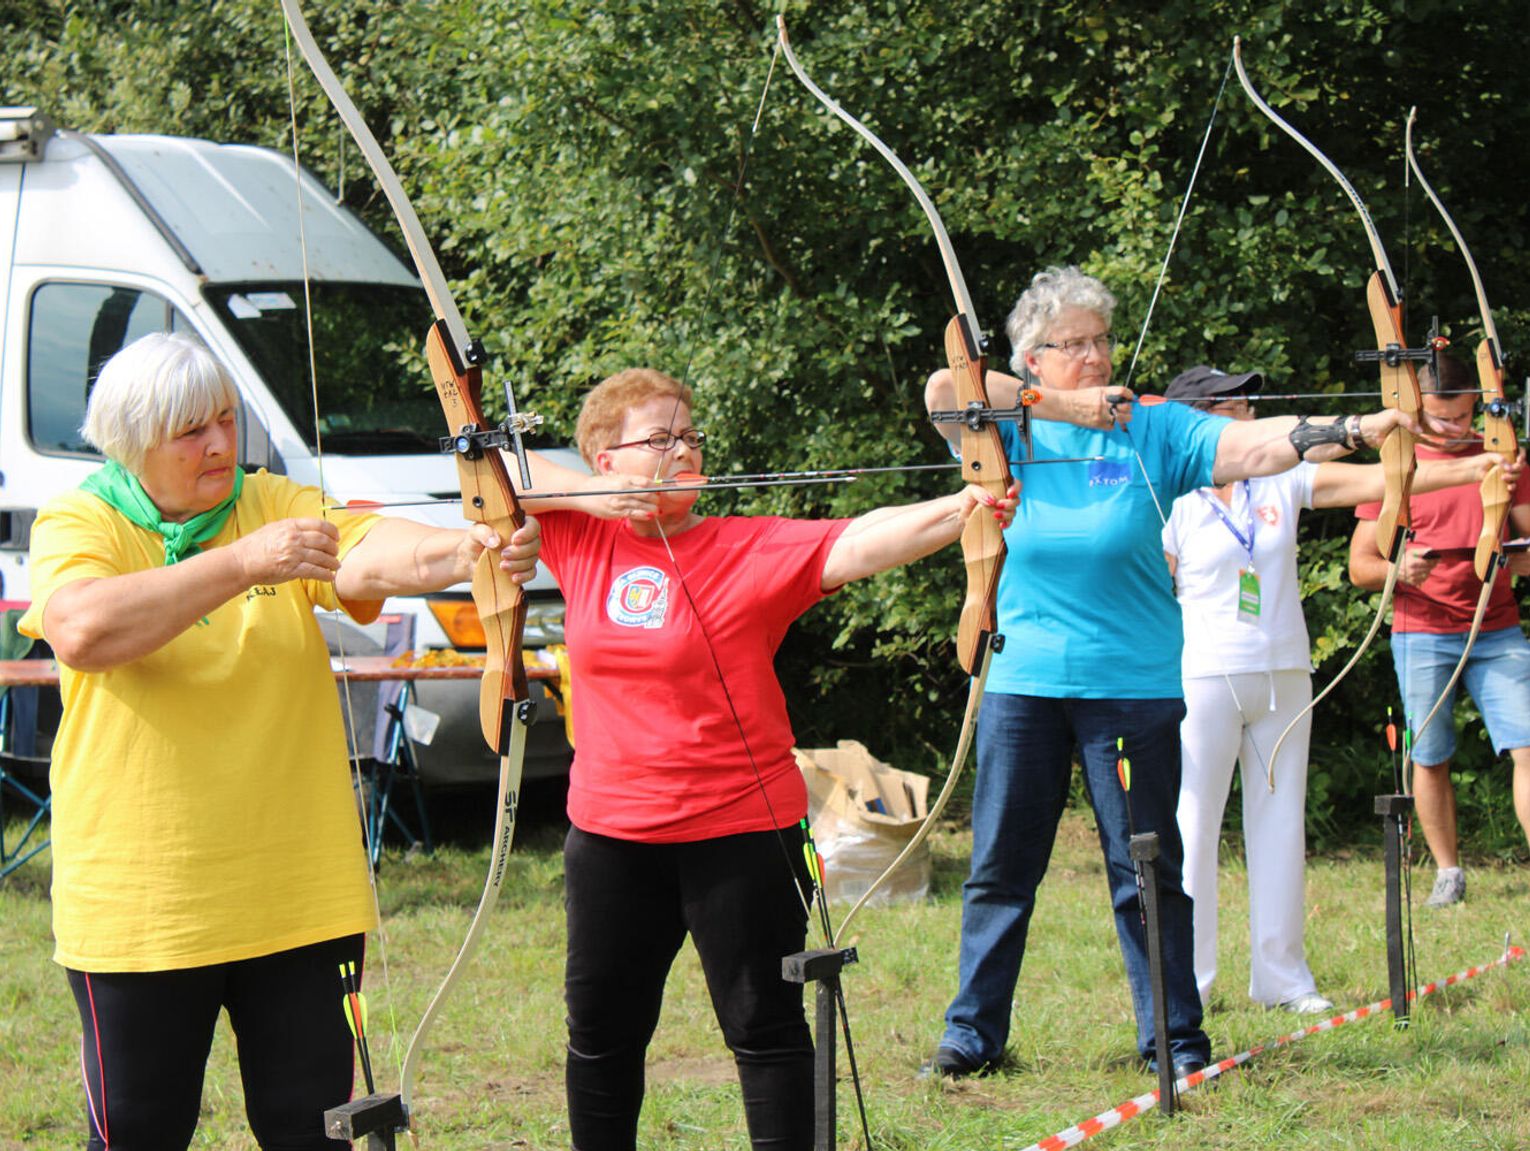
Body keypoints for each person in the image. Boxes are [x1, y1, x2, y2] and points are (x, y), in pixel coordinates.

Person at [20, 331, 542, 1151]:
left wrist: (466, 546)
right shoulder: (80, 519)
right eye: (192, 430)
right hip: (144, 903)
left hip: (297, 895)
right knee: (138, 1133)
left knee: (314, 1132)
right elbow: (83, 628)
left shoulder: (272, 503)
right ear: (134, 440)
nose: (220, 443)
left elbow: (364, 555)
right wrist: (242, 562)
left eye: (226, 419)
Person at [920, 265, 1429, 1079]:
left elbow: (1254, 444)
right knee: (1001, 868)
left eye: (1101, 341)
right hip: (1026, 680)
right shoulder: (1005, 429)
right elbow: (946, 384)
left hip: (1133, 683)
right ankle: (973, 1033)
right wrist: (1062, 407)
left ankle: (1174, 1037)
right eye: (1072, 344)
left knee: (1148, 866)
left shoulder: (1153, 428)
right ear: (1033, 358)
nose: (1094, 356)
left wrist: (1363, 426)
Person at [517, 365, 1033, 1151]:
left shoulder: (746, 543)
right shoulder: (578, 535)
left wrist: (963, 505)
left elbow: (860, 540)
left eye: (689, 437)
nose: (681, 450)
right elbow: (493, 473)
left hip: (741, 834)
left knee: (764, 1028)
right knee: (600, 1033)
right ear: (604, 456)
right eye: (658, 439)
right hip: (613, 838)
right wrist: (594, 497)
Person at [1161, 364, 1506, 1014]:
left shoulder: (1281, 476)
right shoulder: (1169, 494)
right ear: (1196, 420)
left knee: (1280, 821)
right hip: (1202, 676)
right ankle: (1190, 981)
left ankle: (1283, 977)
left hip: (1284, 673)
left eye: (1249, 403)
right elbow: (1152, 589)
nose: (1250, 413)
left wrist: (1477, 467)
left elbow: (1384, 479)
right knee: (1193, 825)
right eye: (1233, 406)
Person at [1349, 356, 1530, 908]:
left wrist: (1508, 542)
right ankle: (1448, 872)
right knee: (1429, 755)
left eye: (1462, 416)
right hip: (1421, 628)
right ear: (1415, 406)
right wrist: (1398, 569)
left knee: (1527, 744)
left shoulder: (1499, 457)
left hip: (1494, 627)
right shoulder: (1397, 461)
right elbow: (1361, 566)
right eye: (1439, 417)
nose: (1453, 428)